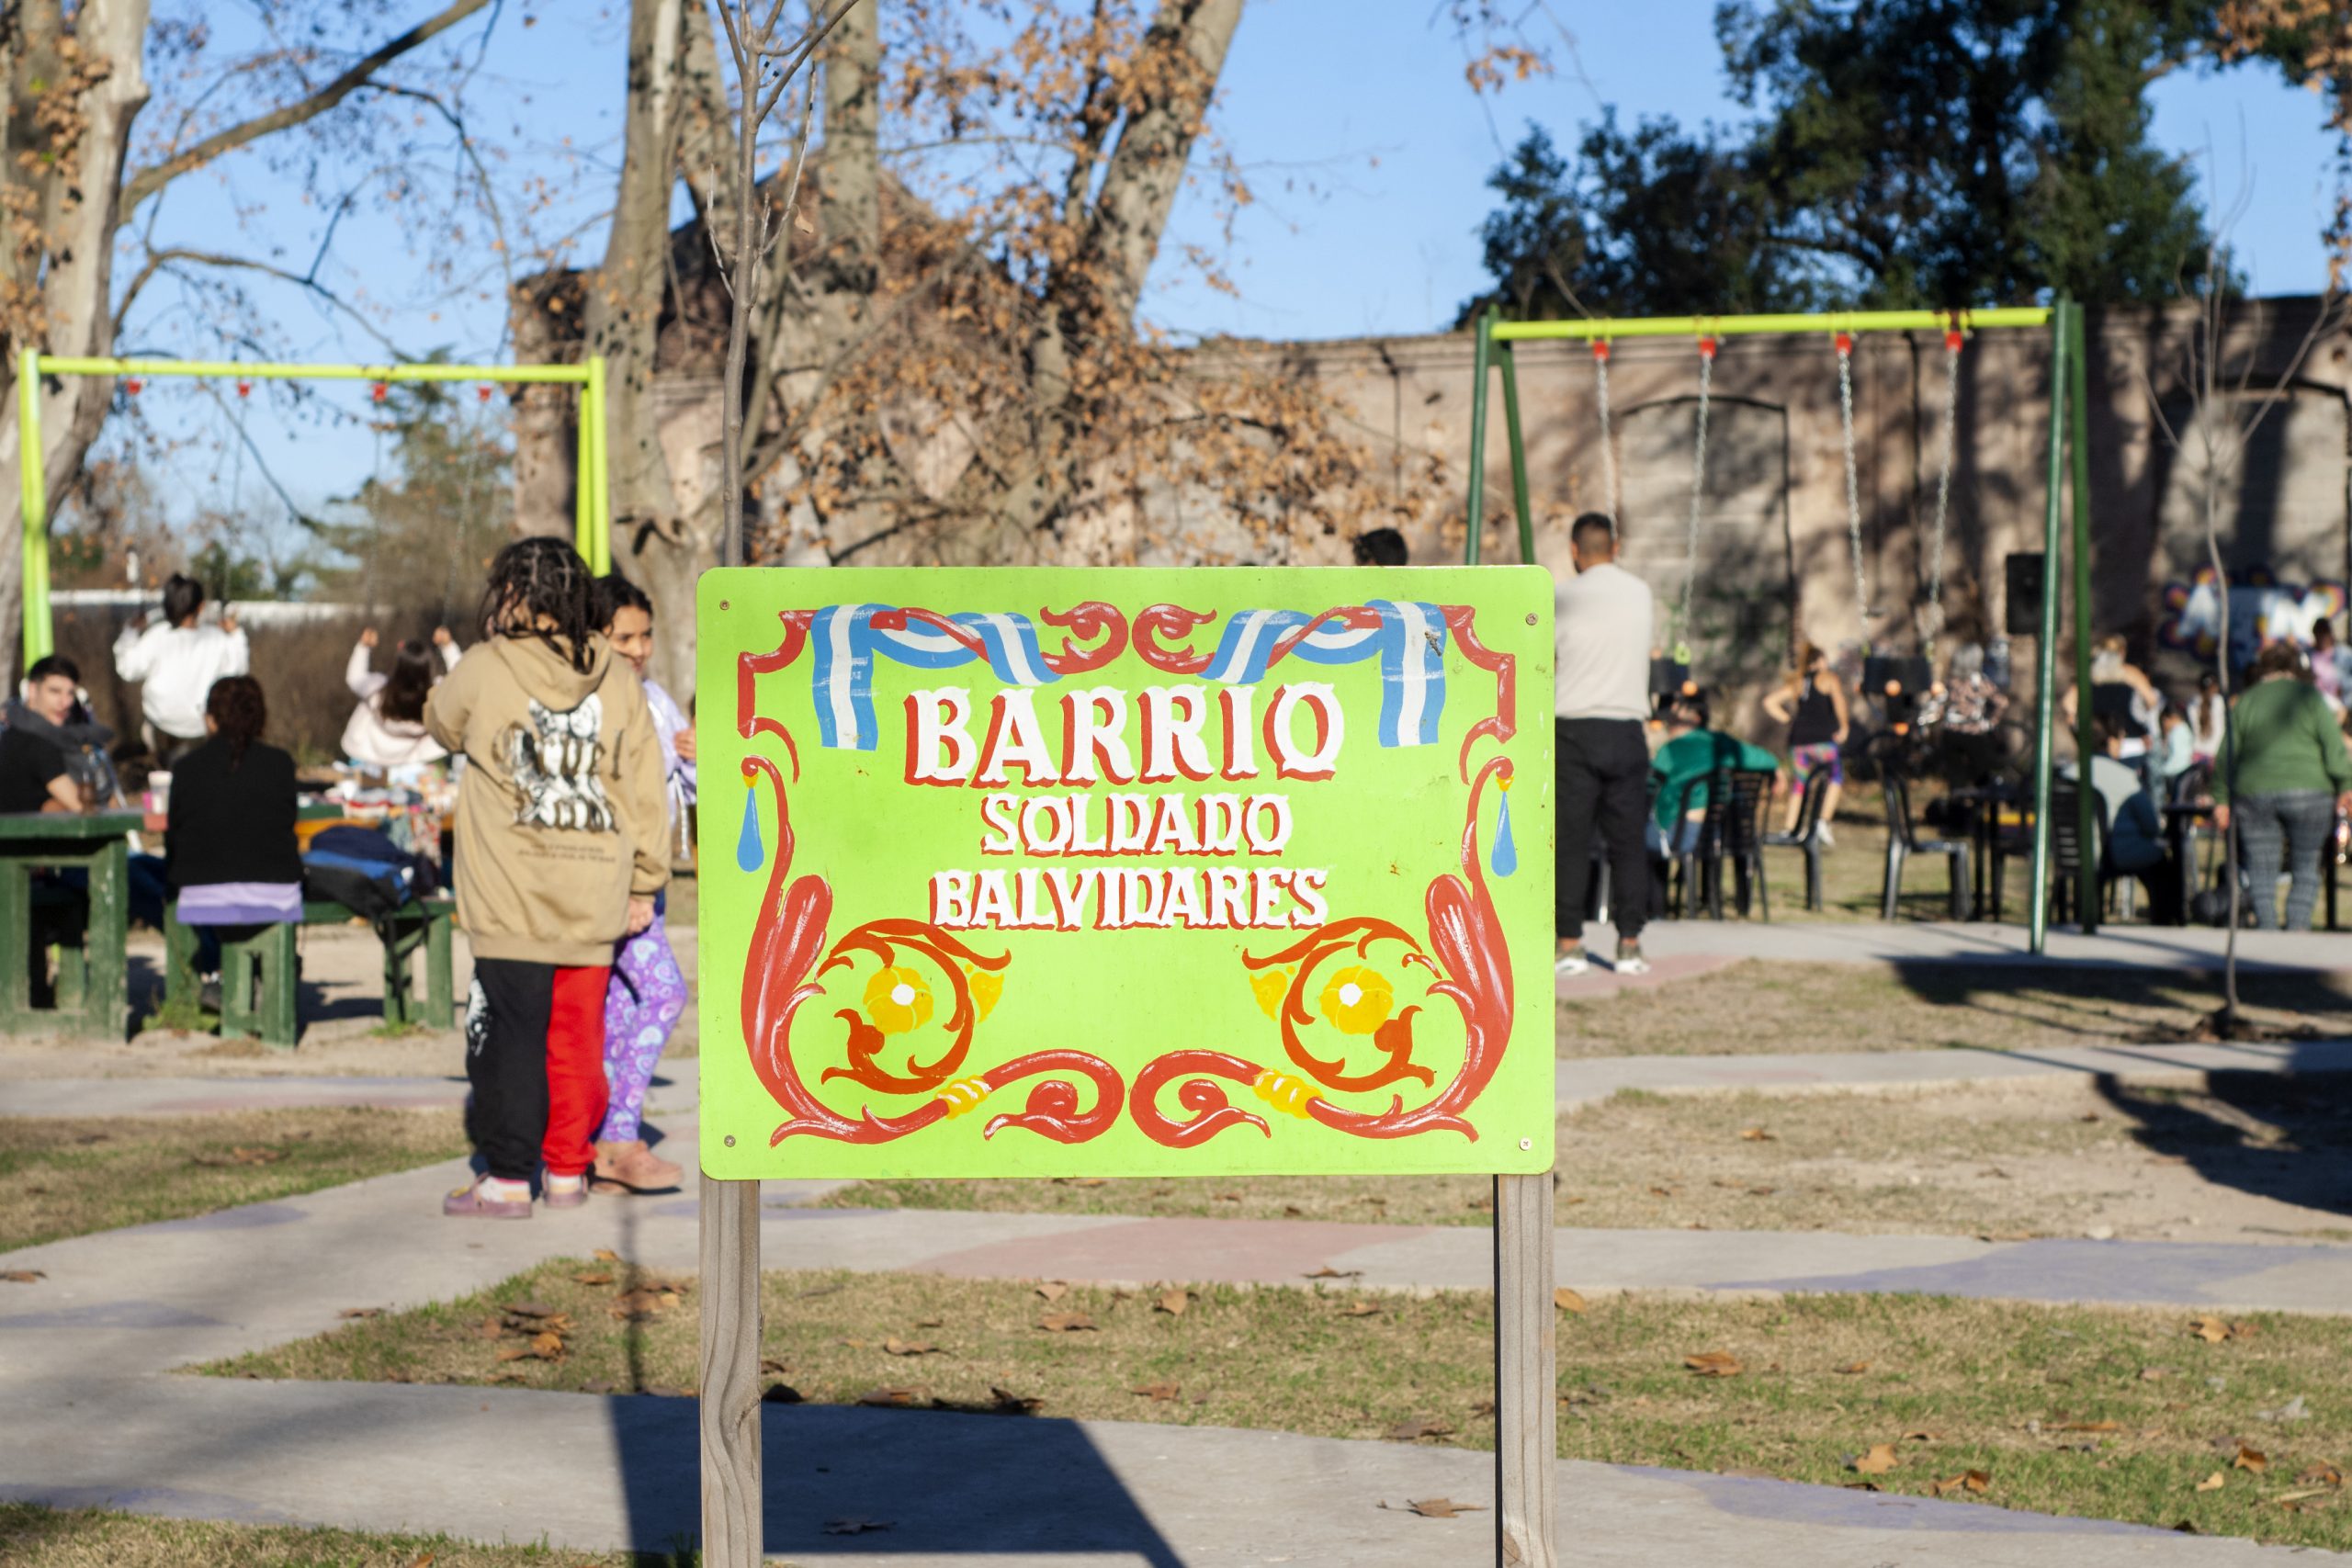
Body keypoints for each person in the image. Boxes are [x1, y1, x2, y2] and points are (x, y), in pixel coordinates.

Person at [426, 537, 670, 1218]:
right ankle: (567, 1171)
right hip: (595, 885)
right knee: (576, 1039)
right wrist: (644, 880)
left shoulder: (485, 666)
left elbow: (440, 723)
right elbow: (643, 784)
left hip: (512, 886)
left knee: (510, 1038)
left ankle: (507, 1178)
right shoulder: (616, 675)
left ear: (513, 594)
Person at [588, 576, 694, 1193]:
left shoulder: (656, 699)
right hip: (614, 883)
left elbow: (686, 789)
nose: (638, 647)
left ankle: (605, 1138)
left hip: (651, 883)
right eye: (622, 635)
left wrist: (703, 756)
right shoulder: (592, 705)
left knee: (622, 1006)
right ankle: (621, 1137)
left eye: (645, 634)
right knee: (665, 992)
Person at [1553, 512, 1655, 977]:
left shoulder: (1562, 597)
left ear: (1575, 551)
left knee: (1571, 840)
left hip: (1573, 727)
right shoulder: (1640, 593)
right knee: (1628, 842)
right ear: (1615, 548)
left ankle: (1570, 943)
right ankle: (1629, 944)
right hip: (1627, 726)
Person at [166, 677, 303, 999]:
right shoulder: (280, 764)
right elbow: (287, 824)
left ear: (210, 718)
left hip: (202, 894)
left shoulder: (187, 767)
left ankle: (213, 974)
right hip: (275, 892)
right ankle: (257, 976)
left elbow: (175, 835)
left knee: (155, 876)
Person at [2212, 640, 2352, 931]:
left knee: (2262, 870)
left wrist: (2221, 798)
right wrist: (2345, 784)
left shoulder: (2248, 700)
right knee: (2305, 866)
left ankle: (2268, 935)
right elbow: (2333, 747)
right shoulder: (2310, 697)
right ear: (2295, 669)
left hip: (2254, 793)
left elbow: (2226, 754)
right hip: (2310, 792)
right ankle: (2297, 933)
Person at [111, 573, 249, 765]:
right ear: (200, 606)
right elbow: (237, 672)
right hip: (200, 727)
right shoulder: (216, 639)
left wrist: (131, 632)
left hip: (161, 724)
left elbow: (127, 668)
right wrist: (236, 635)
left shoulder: (157, 636)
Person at [2059, 715, 2174, 923]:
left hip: (2068, 853)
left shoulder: (2067, 775)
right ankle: (2165, 922)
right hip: (2114, 854)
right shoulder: (2124, 776)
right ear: (2110, 741)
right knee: (2161, 864)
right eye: (2120, 738)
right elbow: (2151, 827)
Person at [1647, 692, 1781, 855]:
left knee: (1625, 839)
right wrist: (1778, 769)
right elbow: (1765, 759)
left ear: (1695, 718)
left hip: (1676, 835)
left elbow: (1649, 789)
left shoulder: (1670, 750)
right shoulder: (1722, 743)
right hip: (1716, 834)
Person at [1762, 641, 1848, 844]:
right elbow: (1840, 704)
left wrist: (1789, 720)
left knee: (1799, 784)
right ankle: (1822, 821)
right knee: (1835, 776)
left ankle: (1790, 829)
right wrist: (1844, 727)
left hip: (1798, 742)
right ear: (1819, 661)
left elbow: (1769, 702)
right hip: (1823, 742)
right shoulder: (1828, 679)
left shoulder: (1798, 682)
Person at [343, 626, 460, 771]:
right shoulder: (436, 695)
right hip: (415, 754)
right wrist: (448, 646)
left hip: (368, 749)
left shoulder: (378, 690)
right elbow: (461, 681)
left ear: (398, 665)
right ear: (428, 668)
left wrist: (363, 647)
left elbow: (355, 678)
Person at [2, 656, 107, 814]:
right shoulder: (35, 742)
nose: (65, 703)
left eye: (70, 693)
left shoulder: (16, 732)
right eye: (55, 691)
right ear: (32, 690)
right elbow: (82, 809)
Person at [2064, 634, 2160, 781]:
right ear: (2122, 652)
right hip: (2130, 741)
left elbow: (2068, 705)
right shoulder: (2130, 673)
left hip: (2097, 742)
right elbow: (2152, 701)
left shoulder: (2088, 675)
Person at [2188, 671, 2226, 764]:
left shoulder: (2192, 704)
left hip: (2197, 753)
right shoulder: (2219, 701)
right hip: (2215, 754)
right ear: (2215, 687)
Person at [2156, 703, 2196, 784]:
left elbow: (2178, 758)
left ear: (2172, 718)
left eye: (2164, 720)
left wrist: (2162, 771)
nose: (2163, 725)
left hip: (2178, 773)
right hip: (2184, 772)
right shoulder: (2184, 729)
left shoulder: (2177, 732)